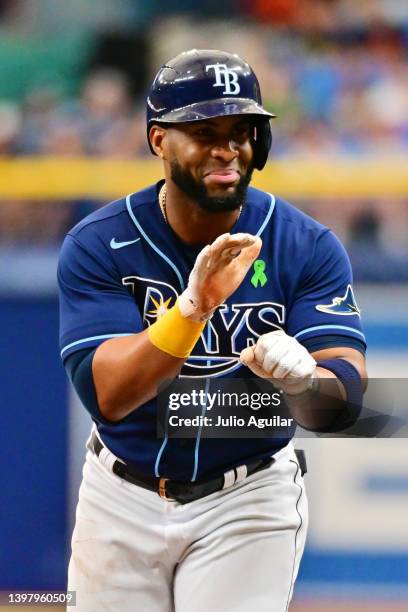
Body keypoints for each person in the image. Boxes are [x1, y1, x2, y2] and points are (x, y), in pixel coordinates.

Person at [58, 49, 367, 612]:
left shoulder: (305, 244)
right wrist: (192, 310)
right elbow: (110, 395)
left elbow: (344, 403)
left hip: (247, 498)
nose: (226, 148)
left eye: (241, 130)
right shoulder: (99, 243)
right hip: (121, 497)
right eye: (203, 130)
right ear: (158, 140)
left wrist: (305, 381)